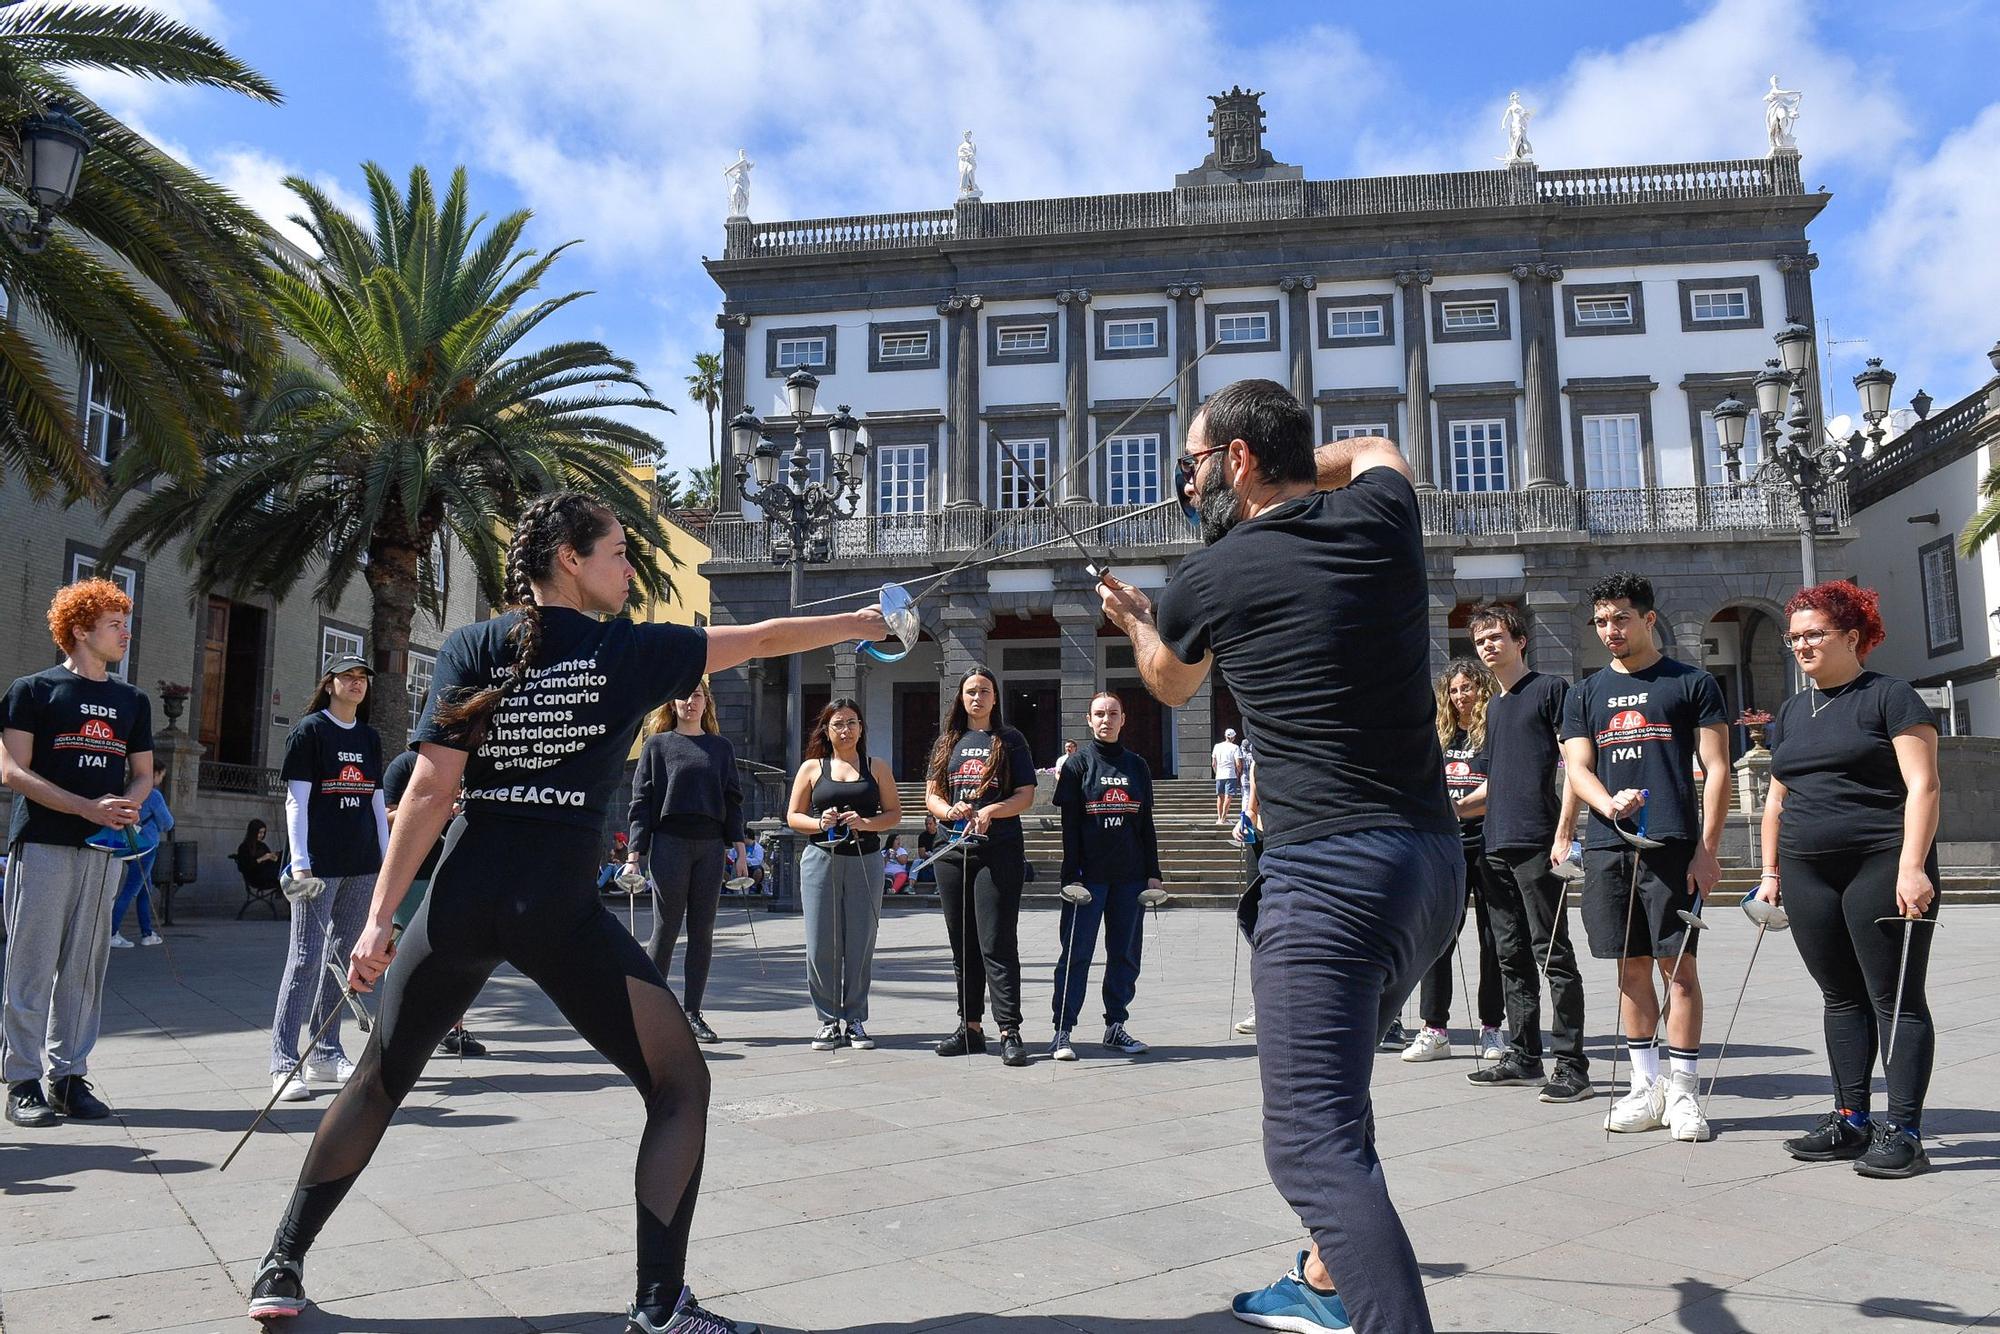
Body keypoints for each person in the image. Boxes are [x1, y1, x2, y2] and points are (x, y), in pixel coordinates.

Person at [247, 490, 888, 1331]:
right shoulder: (631, 650)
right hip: (553, 905)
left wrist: (380, 919)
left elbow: (433, 790)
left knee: (378, 1079)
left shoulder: (475, 644)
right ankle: (659, 1306)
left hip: (465, 895)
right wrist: (864, 622)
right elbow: (766, 639)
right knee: (679, 1082)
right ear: (570, 560)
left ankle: (280, 1262)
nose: (631, 568)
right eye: (619, 552)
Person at [1101, 379, 1460, 1334]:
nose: (1185, 485)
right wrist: (1309, 465)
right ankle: (1327, 1278)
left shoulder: (1211, 577)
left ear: (1238, 462)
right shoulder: (1384, 514)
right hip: (1429, 869)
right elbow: (1380, 445)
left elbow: (1171, 685)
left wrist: (1139, 617)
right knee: (1334, 1090)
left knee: (1308, 1139)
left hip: (1330, 876)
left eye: (1194, 464)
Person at [1759, 581, 1941, 1178]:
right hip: (1808, 870)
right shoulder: (1791, 710)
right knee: (1840, 997)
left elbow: (1924, 786)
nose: (1802, 645)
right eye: (1794, 637)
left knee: (1894, 999)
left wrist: (1912, 867)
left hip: (1881, 862)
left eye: (1815, 634)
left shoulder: (1891, 697)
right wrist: (1768, 873)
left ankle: (1906, 1131)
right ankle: (1851, 1118)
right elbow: (1776, 799)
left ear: (1853, 637)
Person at [1560, 572, 1728, 1142]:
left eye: (1621, 619)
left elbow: (1719, 768)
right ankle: (1644, 1087)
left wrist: (1707, 849)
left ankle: (1683, 1092)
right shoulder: (1584, 693)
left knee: (1678, 969)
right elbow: (1578, 768)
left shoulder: (1692, 682)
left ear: (1648, 619)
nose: (1610, 630)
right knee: (1630, 968)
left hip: (1674, 846)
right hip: (1610, 846)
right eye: (1602, 621)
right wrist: (1610, 805)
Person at [2, 578, 154, 1128]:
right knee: (31, 963)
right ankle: (21, 1080)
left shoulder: (132, 700)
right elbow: (12, 770)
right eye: (114, 623)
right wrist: (84, 807)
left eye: (125, 621)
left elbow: (143, 776)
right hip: (43, 843)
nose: (125, 632)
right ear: (81, 628)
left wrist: (127, 806)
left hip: (103, 852)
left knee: (87, 966)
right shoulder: (33, 690)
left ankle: (68, 1077)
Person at [1464, 602, 1592, 1102]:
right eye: (1480, 641)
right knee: (1509, 956)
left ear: (1520, 640)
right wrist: (1451, 808)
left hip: (1539, 841)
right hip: (1494, 844)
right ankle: (1523, 1055)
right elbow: (1495, 783)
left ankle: (1572, 1064)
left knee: (1553, 953)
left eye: (1496, 636)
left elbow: (1575, 766)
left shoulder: (1551, 690)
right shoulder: (1493, 706)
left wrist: (1565, 833)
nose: (1488, 646)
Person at [269, 656, 387, 1104]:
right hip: (316, 866)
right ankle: (282, 1062)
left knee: (342, 960)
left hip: (361, 863)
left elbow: (377, 803)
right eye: (349, 677)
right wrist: (299, 863)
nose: (357, 685)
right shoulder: (309, 732)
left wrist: (386, 858)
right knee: (304, 958)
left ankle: (325, 1049)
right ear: (331, 683)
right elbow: (295, 802)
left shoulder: (370, 738)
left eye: (362, 679)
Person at [926, 667, 1038, 1068]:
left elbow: (1026, 794)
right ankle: (969, 1027)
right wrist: (949, 809)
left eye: (984, 691)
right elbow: (932, 795)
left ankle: (1009, 1030)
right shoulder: (948, 742)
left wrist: (992, 809)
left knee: (997, 942)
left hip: (998, 850)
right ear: (961, 697)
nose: (977, 697)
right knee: (963, 945)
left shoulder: (1010, 741)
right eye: (970, 691)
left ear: (995, 698)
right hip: (953, 852)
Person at [626, 679, 745, 1045]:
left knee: (702, 932)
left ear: (706, 702)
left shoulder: (720, 748)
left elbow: (733, 801)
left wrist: (739, 852)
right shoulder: (657, 746)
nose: (689, 702)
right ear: (671, 702)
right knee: (665, 930)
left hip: (711, 847)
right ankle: (653, 1013)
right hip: (670, 844)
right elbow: (641, 801)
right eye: (683, 695)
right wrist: (634, 856)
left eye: (696, 695)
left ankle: (693, 1013)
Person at [1403, 660, 1508, 1064]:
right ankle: (1434, 1029)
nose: (1460, 696)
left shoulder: (1494, 732)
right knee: (1438, 939)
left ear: (1482, 690)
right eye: (1453, 690)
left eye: (1468, 688)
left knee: (1493, 940)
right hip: (1445, 847)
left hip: (1489, 842)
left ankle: (1492, 1029)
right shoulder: (1440, 735)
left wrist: (1460, 806)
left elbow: (1504, 778)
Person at [1049, 690, 1162, 1062]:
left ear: (1123, 719)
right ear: (1089, 719)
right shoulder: (1078, 765)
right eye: (1099, 713)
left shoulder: (1137, 766)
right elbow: (1070, 827)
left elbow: (1145, 824)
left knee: (1125, 956)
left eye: (1113, 713)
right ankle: (1062, 1031)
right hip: (1088, 878)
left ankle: (1116, 1025)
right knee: (1077, 953)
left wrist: (1153, 874)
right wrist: (1071, 876)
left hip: (1129, 878)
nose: (1106, 720)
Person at [786, 698, 899, 1050]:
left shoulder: (876, 766)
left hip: (866, 860)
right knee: (821, 942)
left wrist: (866, 823)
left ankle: (855, 1019)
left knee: (861, 942)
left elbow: (893, 814)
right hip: (821, 859)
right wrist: (820, 822)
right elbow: (793, 816)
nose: (845, 730)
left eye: (852, 722)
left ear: (862, 728)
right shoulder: (811, 768)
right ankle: (827, 1019)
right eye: (838, 724)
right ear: (826, 729)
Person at [382, 749, 483, 1057]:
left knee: (456, 951)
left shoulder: (469, 765)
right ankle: (392, 1029)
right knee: (403, 953)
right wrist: (430, 806)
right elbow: (384, 816)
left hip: (456, 869)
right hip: (414, 873)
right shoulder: (405, 765)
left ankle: (453, 1029)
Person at [109, 787, 173, 948]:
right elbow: (167, 823)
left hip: (127, 845)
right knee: (131, 890)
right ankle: (110, 932)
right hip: (146, 846)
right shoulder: (153, 794)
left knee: (145, 889)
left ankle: (147, 932)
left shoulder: (127, 788)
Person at [237, 820, 284, 895]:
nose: (261, 835)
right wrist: (262, 858)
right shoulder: (244, 847)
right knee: (282, 874)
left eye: (263, 833)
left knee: (283, 860)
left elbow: (269, 860)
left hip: (268, 873)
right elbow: (245, 866)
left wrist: (274, 858)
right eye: (259, 832)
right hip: (255, 877)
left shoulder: (262, 845)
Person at [1211, 727, 1244, 824]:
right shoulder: (1235, 747)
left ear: (1225, 736)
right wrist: (1239, 773)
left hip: (1219, 774)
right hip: (1230, 774)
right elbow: (1238, 763)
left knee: (1220, 797)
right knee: (1228, 797)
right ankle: (1224, 818)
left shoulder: (1217, 746)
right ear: (1234, 737)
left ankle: (1219, 818)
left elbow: (1213, 763)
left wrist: (1216, 772)